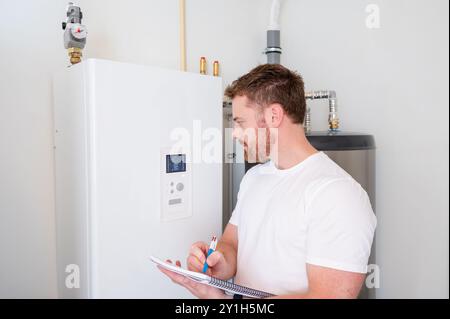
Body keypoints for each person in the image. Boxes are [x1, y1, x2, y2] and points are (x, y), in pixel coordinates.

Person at [158, 64, 377, 299]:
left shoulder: (337, 194)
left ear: (274, 116)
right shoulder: (253, 179)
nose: (233, 133)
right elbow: (232, 245)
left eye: (240, 122)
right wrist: (216, 262)